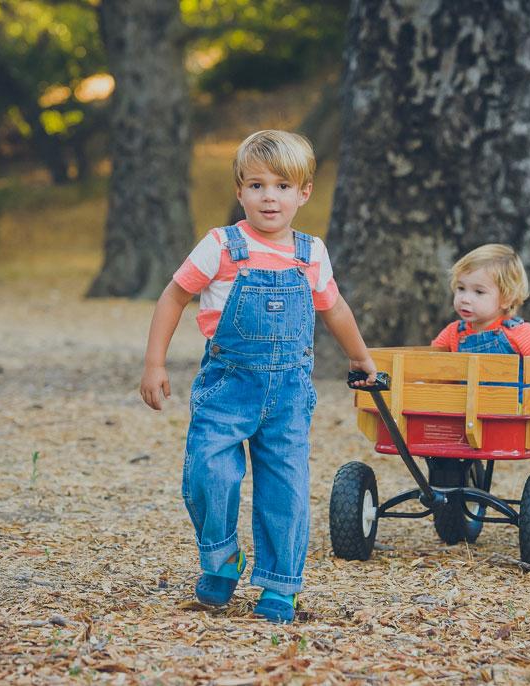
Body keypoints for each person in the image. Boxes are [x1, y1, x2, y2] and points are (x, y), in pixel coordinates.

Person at [139, 130, 377, 624]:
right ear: (239, 191)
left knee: (284, 489)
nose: (270, 196)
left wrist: (359, 357)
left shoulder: (311, 254)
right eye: (257, 185)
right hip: (228, 387)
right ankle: (223, 557)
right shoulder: (221, 246)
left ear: (303, 193)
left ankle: (279, 584)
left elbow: (333, 309)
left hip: (288, 395)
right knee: (208, 473)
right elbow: (174, 297)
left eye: (283, 186)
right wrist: (154, 363)